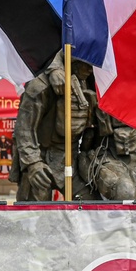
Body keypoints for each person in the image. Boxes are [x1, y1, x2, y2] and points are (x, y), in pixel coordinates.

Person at [9, 52, 98, 201]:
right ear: (73, 62)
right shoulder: (39, 86)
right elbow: (24, 129)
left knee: (89, 205)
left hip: (70, 160)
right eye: (86, 65)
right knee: (34, 215)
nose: (90, 70)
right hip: (41, 158)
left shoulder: (89, 82)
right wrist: (33, 164)